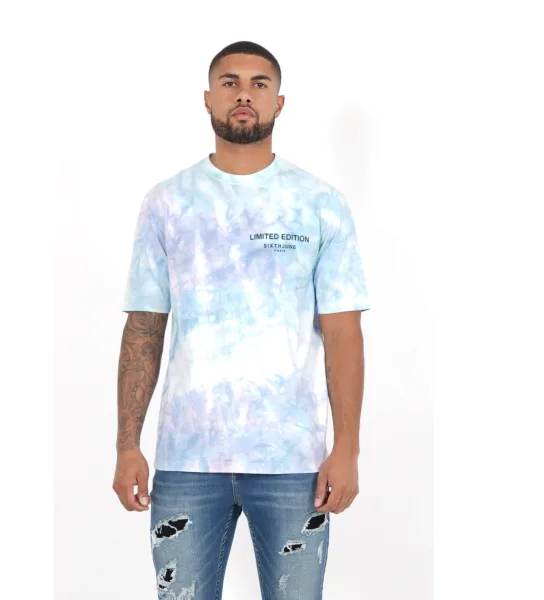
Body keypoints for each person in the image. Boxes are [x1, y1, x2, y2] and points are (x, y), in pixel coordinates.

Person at [112, 40, 371, 600]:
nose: (244, 95)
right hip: (186, 462)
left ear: (280, 102)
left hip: (294, 463)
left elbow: (343, 334)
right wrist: (127, 444)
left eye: (259, 84)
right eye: (230, 83)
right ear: (208, 99)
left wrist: (347, 447)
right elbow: (144, 328)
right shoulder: (167, 202)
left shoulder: (319, 203)